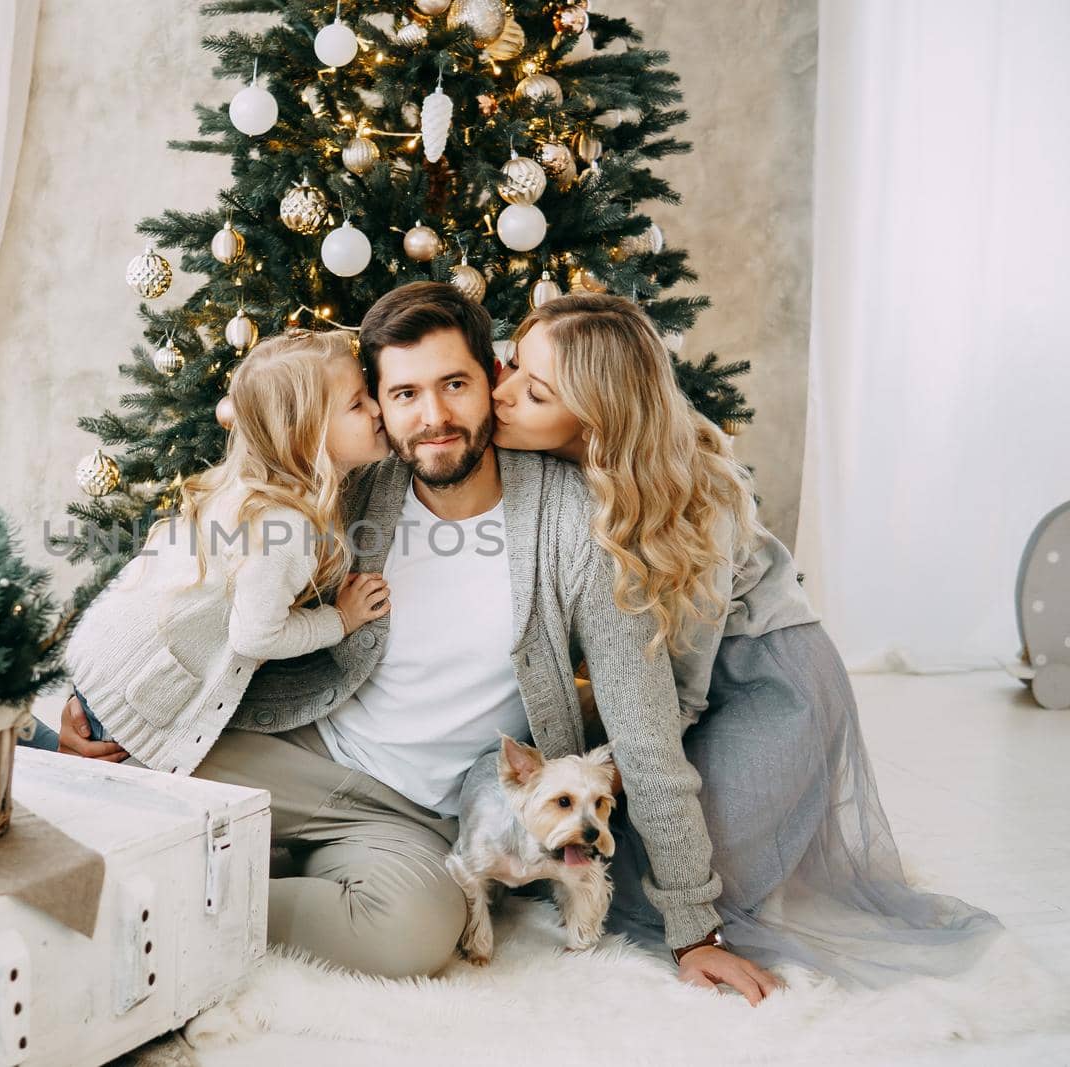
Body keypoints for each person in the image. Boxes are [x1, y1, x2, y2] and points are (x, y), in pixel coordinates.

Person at [63, 283, 781, 1000]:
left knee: (410, 929)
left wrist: (695, 930)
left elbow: (646, 734)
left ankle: (180, 893)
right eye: (404, 393)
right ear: (375, 404)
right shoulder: (353, 483)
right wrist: (104, 698)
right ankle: (236, 844)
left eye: (454, 384)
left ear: (492, 380)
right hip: (298, 750)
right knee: (107, 776)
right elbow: (201, 560)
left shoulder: (574, 529)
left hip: (415, 815)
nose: (433, 417)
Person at [490, 292, 1002, 986]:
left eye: (535, 390)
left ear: (596, 415)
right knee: (598, 840)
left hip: (765, 674)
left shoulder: (695, 497)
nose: (502, 394)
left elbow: (678, 698)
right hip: (667, 681)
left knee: (673, 885)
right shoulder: (545, 460)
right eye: (512, 366)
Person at [57, 329, 393, 777]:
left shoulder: (253, 488)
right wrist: (341, 621)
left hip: (105, 671)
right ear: (305, 434)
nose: (376, 408)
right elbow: (255, 637)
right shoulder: (285, 526)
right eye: (357, 403)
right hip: (132, 704)